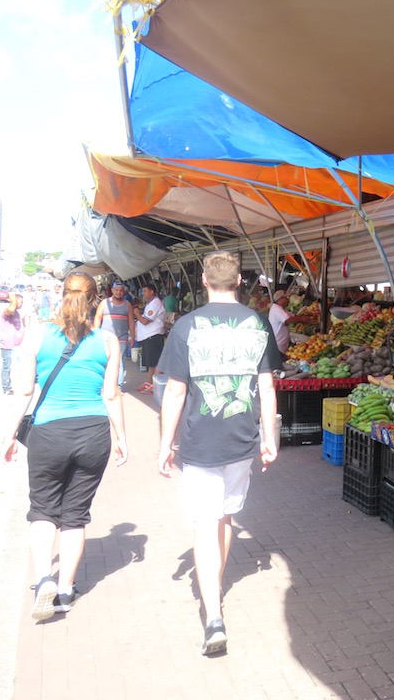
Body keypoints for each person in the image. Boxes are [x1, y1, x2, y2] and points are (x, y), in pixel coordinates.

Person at [157, 251, 282, 656]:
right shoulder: (257, 323)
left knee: (204, 522)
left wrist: (164, 445)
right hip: (241, 439)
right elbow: (266, 387)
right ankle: (217, 585)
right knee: (224, 515)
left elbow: (174, 392)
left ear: (204, 280)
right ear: (240, 282)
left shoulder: (186, 327)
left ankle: (213, 615)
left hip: (199, 441)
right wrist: (270, 438)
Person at [2, 272, 128, 621]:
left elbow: (25, 390)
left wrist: (11, 434)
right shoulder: (107, 340)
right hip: (92, 435)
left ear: (61, 295)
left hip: (47, 435)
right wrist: (122, 438)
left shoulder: (39, 334)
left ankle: (44, 577)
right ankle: (65, 590)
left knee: (43, 510)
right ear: (95, 299)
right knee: (75, 515)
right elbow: (111, 393)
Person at [93, 281, 136, 389]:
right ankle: (105, 384)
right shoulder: (104, 303)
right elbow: (98, 318)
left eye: (121, 290)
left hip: (122, 338)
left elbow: (131, 322)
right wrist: (95, 334)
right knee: (105, 360)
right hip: (105, 337)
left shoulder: (128, 305)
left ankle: (118, 386)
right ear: (112, 291)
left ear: (124, 292)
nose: (118, 292)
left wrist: (133, 337)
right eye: (116, 290)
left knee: (120, 362)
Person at [134, 284, 166, 393]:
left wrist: (137, 313)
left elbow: (145, 321)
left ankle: (155, 386)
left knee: (155, 363)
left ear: (152, 291)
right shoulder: (150, 303)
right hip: (148, 336)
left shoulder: (155, 303)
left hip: (154, 336)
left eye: (145, 291)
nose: (143, 293)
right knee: (151, 363)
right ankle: (149, 382)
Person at [0, 293, 26, 394]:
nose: (22, 304)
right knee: (7, 367)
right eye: (20, 301)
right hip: (8, 345)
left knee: (17, 367)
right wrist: (13, 299)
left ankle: (16, 386)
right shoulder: (7, 312)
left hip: (17, 345)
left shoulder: (17, 313)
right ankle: (6, 388)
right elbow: (10, 309)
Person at [268, 290, 293, 354]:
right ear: (280, 300)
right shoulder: (277, 309)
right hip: (277, 346)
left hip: (280, 346)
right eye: (286, 298)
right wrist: (303, 320)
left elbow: (293, 316)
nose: (288, 300)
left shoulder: (280, 310)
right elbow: (288, 319)